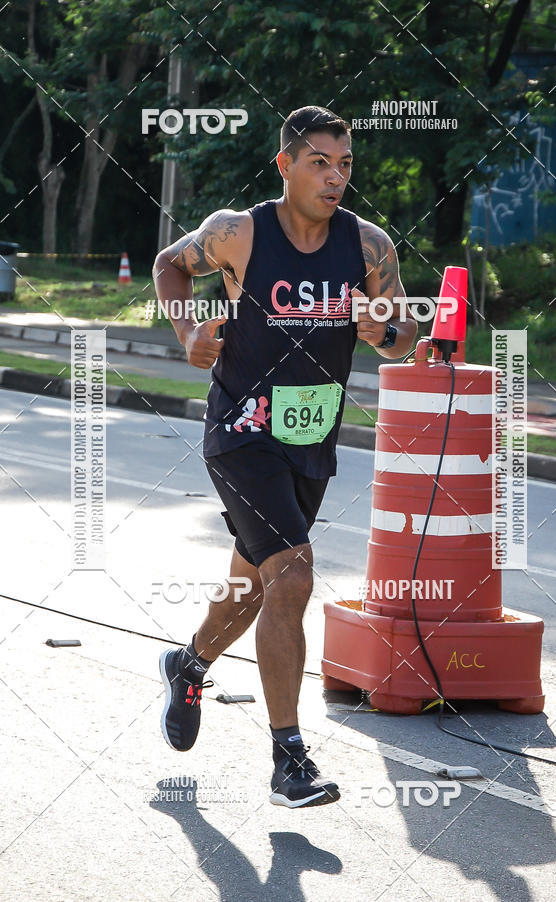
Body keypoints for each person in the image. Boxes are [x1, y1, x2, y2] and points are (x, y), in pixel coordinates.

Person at [152, 105, 417, 808]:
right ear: (286, 165)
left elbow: (406, 339)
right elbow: (167, 268)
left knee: (259, 578)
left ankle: (189, 663)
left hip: (311, 438)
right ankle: (288, 759)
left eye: (346, 165)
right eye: (320, 163)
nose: (336, 178)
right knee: (293, 576)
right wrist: (187, 333)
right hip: (241, 432)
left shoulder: (367, 245)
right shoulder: (237, 232)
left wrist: (385, 326)